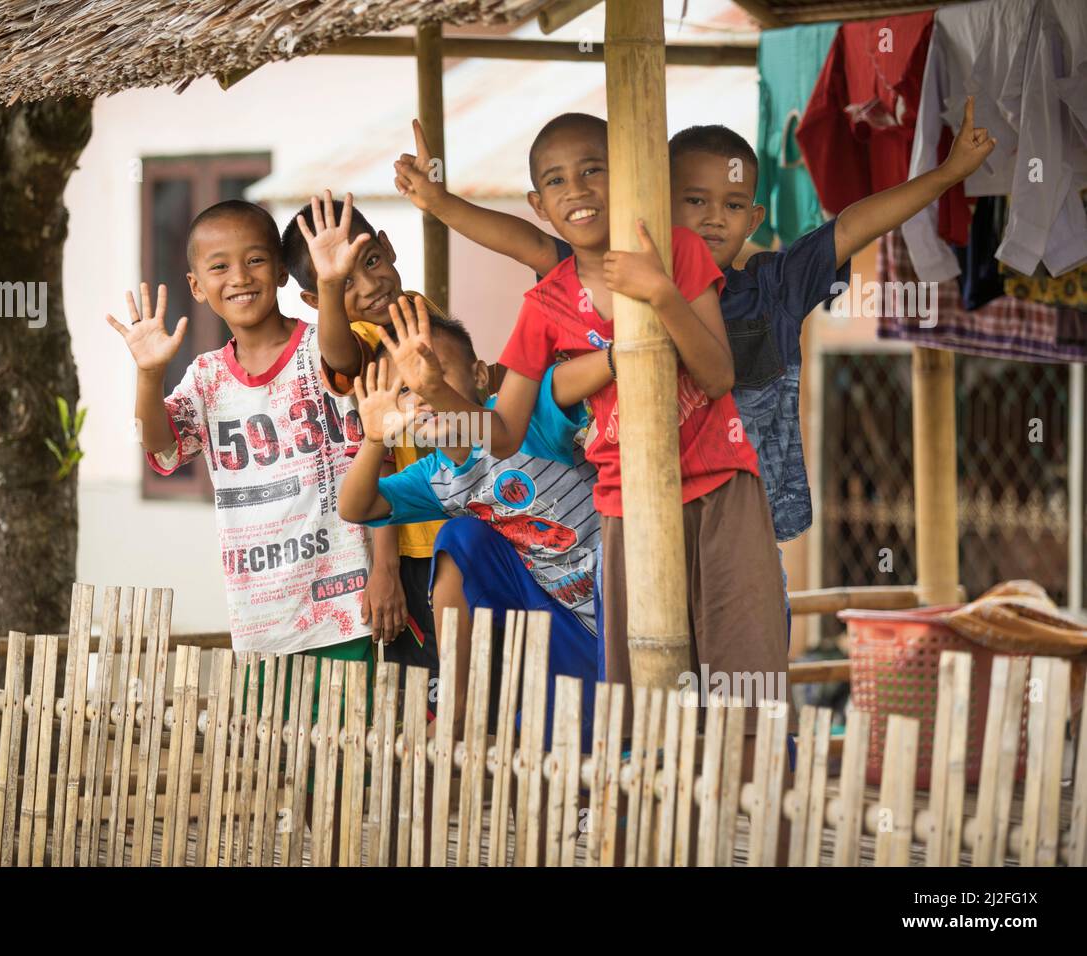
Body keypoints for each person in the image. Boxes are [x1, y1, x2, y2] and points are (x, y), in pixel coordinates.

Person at [395, 100, 995, 646]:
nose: (712, 220)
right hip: (640, 510)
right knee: (652, 667)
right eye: (694, 201)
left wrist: (946, 175)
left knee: (741, 668)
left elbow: (855, 225)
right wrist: (439, 203)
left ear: (754, 217)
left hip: (740, 508)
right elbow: (529, 242)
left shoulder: (772, 287)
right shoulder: (606, 277)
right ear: (654, 197)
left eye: (732, 206)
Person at [394, 113, 787, 737]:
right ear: (540, 205)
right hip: (624, 507)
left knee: (744, 665)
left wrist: (660, 293)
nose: (576, 189)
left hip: (719, 487)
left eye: (592, 170)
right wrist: (438, 390)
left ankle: (753, 806)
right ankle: (649, 812)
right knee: (640, 686)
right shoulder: (546, 304)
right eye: (556, 181)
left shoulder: (675, 251)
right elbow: (503, 435)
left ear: (626, 176)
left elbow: (716, 376)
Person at [106, 199, 378, 703]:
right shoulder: (206, 378)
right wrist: (148, 373)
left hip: (347, 599)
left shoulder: (322, 346)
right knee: (279, 758)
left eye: (254, 260)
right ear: (197, 287)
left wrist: (332, 284)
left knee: (348, 756)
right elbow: (162, 448)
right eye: (219, 266)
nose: (239, 277)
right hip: (261, 614)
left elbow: (344, 363)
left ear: (279, 272)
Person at [339, 295, 602, 747]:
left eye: (433, 372)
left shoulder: (522, 417)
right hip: (562, 615)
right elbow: (356, 508)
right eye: (405, 389)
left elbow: (593, 370)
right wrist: (375, 440)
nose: (421, 393)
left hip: (619, 594)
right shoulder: (435, 477)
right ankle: (458, 709)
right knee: (460, 535)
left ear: (479, 374)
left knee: (627, 739)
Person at [282, 194, 448, 709]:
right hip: (410, 548)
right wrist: (386, 569)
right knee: (425, 697)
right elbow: (340, 356)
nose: (371, 285)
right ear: (316, 301)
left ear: (388, 247)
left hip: (460, 521)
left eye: (370, 262)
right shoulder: (357, 335)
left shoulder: (420, 308)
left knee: (473, 679)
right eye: (342, 282)